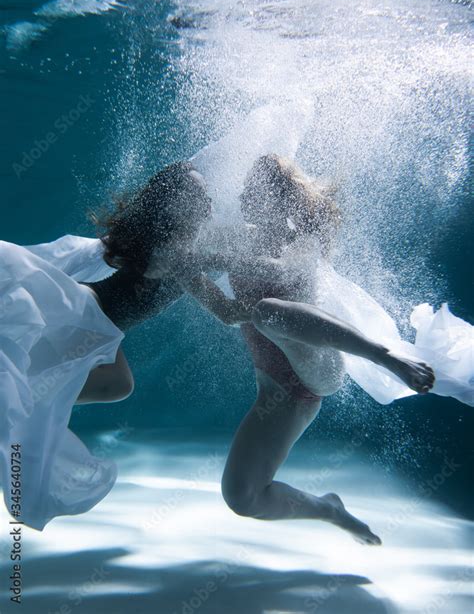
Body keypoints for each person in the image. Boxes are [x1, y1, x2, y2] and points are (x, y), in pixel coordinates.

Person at [152, 153, 472, 545]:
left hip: (317, 370)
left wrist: (199, 257)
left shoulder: (301, 244)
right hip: (280, 393)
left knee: (267, 311)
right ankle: (328, 509)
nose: (240, 194)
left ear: (279, 197)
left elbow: (278, 272)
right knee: (243, 496)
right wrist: (182, 269)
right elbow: (226, 312)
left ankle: (384, 356)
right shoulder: (236, 237)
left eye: (252, 187)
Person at [0, 160, 216, 530]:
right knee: (39, 382)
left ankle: (24, 401)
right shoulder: (169, 252)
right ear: (175, 206)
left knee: (116, 384)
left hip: (99, 329)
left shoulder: (174, 249)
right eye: (199, 196)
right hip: (85, 319)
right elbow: (206, 279)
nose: (209, 203)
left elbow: (224, 305)